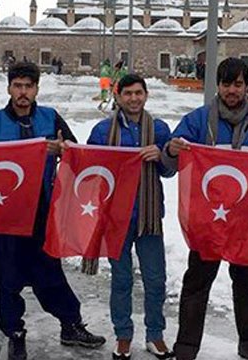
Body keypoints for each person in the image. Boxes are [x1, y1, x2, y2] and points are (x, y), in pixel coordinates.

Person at [0, 62, 105, 360]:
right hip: (7, 213)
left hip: (43, 211)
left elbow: (74, 152)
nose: (23, 92)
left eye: (28, 86)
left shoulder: (50, 118)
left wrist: (61, 149)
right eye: (18, 86)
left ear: (37, 89)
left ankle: (70, 323)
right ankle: (14, 333)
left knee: (49, 272)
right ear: (9, 88)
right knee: (9, 278)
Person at [162, 58, 248, 360]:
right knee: (196, 285)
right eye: (226, 84)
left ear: (246, 86)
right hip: (207, 223)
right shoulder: (197, 120)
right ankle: (186, 348)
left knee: (247, 286)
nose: (232, 90)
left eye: (237, 84)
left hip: (247, 224)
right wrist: (172, 149)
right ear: (218, 86)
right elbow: (171, 158)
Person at [87, 74, 176, 360]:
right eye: (128, 94)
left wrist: (162, 156)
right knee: (122, 280)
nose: (134, 99)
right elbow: (89, 170)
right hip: (117, 218)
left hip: (149, 216)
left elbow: (171, 169)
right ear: (118, 96)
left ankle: (155, 335)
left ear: (146, 95)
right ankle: (123, 335)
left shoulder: (160, 129)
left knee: (155, 279)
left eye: (139, 93)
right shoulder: (103, 131)